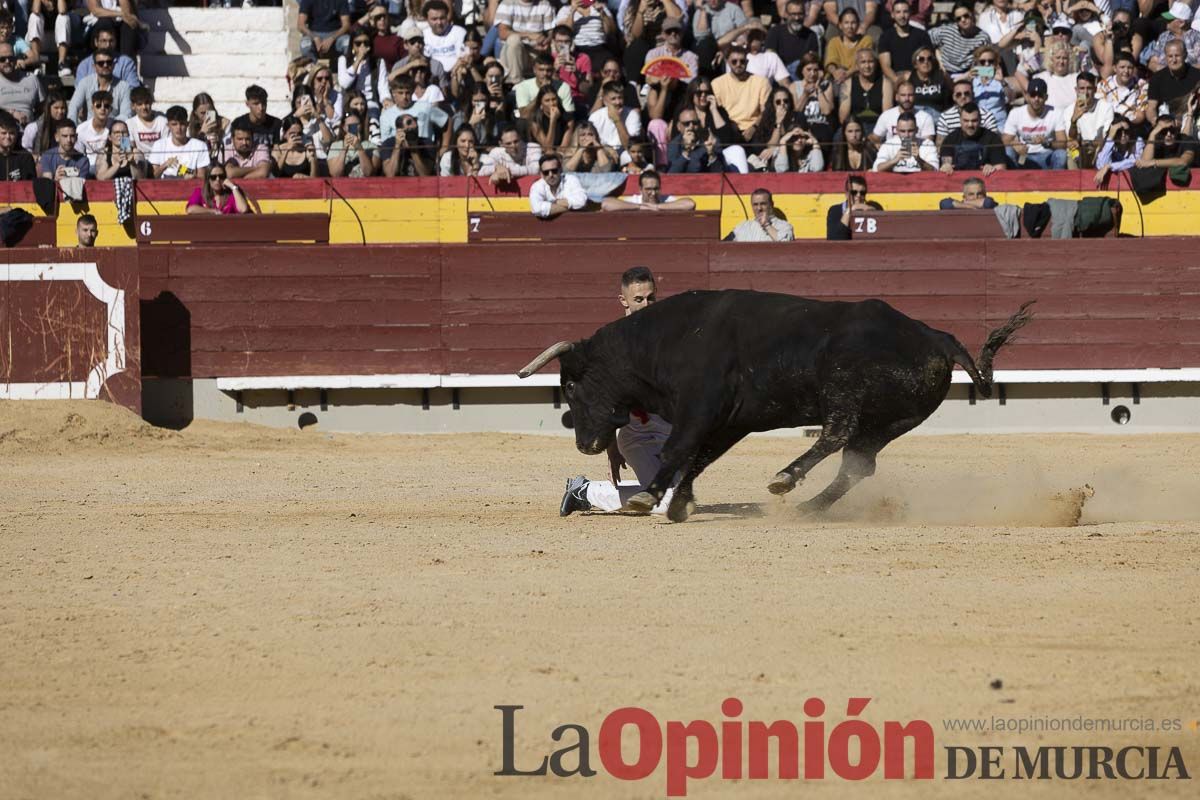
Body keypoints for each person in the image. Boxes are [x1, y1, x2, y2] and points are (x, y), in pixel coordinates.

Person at [559, 266, 674, 516]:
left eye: (650, 298)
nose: (646, 305)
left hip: (668, 433)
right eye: (638, 299)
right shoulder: (614, 345)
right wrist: (612, 447)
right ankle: (585, 491)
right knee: (667, 502)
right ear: (623, 300)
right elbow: (606, 401)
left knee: (678, 493)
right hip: (639, 438)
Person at [1002, 77, 1068, 168]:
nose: (1036, 99)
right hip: (1024, 156)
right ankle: (1012, 181)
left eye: (1040, 95)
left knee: (1061, 154)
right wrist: (1015, 145)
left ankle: (1056, 181)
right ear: (1027, 96)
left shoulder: (1056, 113)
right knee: (1008, 151)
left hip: (1046, 155)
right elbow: (1004, 140)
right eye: (1033, 95)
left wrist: (1047, 143)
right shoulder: (1016, 113)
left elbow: (1063, 143)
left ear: (1046, 97)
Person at [712, 44, 771, 141]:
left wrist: (754, 127)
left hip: (755, 128)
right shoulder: (717, 83)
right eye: (734, 61)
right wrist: (730, 127)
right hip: (729, 129)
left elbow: (766, 111)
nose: (738, 64)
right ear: (727, 62)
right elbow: (718, 112)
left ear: (747, 62)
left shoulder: (761, 82)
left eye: (742, 61)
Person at [939, 103, 1007, 174]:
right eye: (966, 120)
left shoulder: (993, 139)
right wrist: (946, 167)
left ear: (980, 120)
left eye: (974, 121)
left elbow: (1001, 170)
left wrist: (992, 169)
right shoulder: (951, 139)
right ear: (960, 120)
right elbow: (945, 166)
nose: (970, 125)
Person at [929, 2, 992, 78]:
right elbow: (923, 39)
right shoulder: (946, 31)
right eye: (958, 18)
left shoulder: (983, 38)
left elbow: (989, 70)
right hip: (944, 73)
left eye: (966, 16)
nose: (963, 20)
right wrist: (937, 56)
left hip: (969, 76)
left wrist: (970, 74)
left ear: (972, 14)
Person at [149, 105, 212, 180]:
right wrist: (164, 166)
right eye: (174, 124)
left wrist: (191, 175)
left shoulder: (199, 146)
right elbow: (152, 178)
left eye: (182, 124)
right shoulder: (159, 145)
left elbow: (202, 178)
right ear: (168, 125)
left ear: (187, 124)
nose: (178, 128)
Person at [878, 0, 932, 85]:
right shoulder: (886, 37)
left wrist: (912, 79)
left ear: (910, 13)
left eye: (905, 12)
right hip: (894, 80)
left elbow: (927, 62)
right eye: (898, 12)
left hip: (918, 80)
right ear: (893, 15)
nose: (902, 16)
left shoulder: (922, 35)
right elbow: (885, 66)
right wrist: (898, 81)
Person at [1066, 71, 1112, 168]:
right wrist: (1073, 121)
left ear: (1095, 90)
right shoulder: (1069, 110)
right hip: (1080, 150)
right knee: (1071, 153)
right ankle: (1074, 183)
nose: (1086, 93)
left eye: (1089, 88)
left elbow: (1106, 137)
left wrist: (1089, 144)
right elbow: (1071, 138)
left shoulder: (1106, 107)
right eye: (1082, 88)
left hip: (1099, 148)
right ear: (1076, 90)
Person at [1148, 40, 1200, 124]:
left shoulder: (1198, 76)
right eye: (1170, 56)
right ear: (1165, 57)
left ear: (1185, 55)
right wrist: (1156, 122)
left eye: (1177, 56)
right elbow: (1151, 108)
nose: (1174, 60)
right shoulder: (1157, 78)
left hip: (1192, 121)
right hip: (1167, 125)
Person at [601, 170, 697, 211]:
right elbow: (606, 203)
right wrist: (639, 207)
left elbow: (690, 204)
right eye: (648, 189)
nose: (653, 193)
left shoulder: (666, 200)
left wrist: (658, 207)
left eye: (656, 188)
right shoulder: (635, 201)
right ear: (640, 189)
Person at [873, 111, 938, 171]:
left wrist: (919, 160)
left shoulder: (927, 144)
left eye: (910, 131)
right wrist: (895, 160)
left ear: (917, 130)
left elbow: (935, 170)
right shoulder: (889, 144)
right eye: (902, 131)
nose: (906, 135)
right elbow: (876, 168)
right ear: (897, 131)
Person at [529, 152, 587, 217]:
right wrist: (567, 207)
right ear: (541, 174)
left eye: (554, 171)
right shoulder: (537, 186)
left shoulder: (571, 180)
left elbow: (581, 201)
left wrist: (554, 203)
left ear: (560, 170)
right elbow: (537, 209)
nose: (550, 175)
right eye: (546, 172)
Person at [826, 174, 883, 239]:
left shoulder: (874, 207)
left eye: (862, 193)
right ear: (846, 194)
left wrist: (872, 212)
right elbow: (834, 238)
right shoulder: (835, 211)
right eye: (854, 192)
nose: (858, 195)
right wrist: (850, 210)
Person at [1093, 116, 1144, 186]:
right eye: (1119, 132)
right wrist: (1110, 137)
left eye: (1126, 132)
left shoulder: (1137, 141)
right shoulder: (1109, 142)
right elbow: (1101, 165)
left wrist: (1109, 166)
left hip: (1132, 184)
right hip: (1112, 185)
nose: (1123, 136)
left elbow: (1135, 161)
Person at [231, 85, 283, 149]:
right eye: (256, 104)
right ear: (247, 104)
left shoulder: (276, 123)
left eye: (264, 103)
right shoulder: (238, 123)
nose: (261, 108)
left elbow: (277, 149)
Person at [186, 168, 251, 215]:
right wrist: (212, 211)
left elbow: (243, 210)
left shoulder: (231, 193)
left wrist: (233, 187)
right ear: (208, 180)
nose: (218, 179)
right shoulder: (200, 192)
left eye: (221, 176)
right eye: (213, 177)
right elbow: (190, 209)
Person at [126, 87, 167, 157]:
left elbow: (167, 146)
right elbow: (126, 149)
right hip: (140, 162)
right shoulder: (128, 123)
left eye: (147, 103)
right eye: (140, 104)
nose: (144, 107)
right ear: (133, 106)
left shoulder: (162, 120)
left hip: (161, 159)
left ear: (151, 102)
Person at [0, 115, 35, 180]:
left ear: (16, 134)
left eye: (12, 133)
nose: (8, 136)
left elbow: (29, 184)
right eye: (4, 133)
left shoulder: (25, 157)